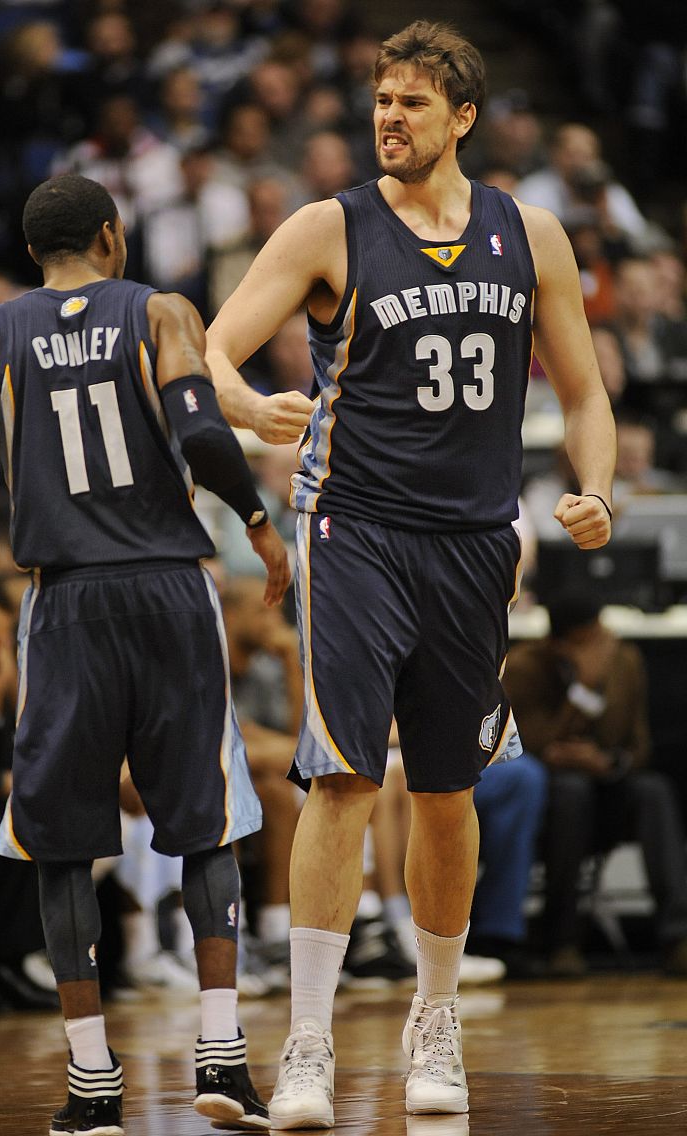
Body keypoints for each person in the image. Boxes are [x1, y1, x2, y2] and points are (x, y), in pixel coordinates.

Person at [205, 18, 616, 1125]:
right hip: (352, 528)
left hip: (475, 541)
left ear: (462, 119)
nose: (388, 117)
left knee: (445, 788)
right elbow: (209, 348)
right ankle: (303, 1041)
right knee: (340, 774)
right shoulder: (324, 226)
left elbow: (581, 392)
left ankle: (434, 1023)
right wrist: (246, 407)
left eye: (412, 103)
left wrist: (592, 483)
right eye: (380, 100)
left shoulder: (527, 234)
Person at [0, 172, 291, 1136]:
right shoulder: (159, 311)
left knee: (58, 838)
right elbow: (201, 430)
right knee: (206, 817)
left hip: (62, 603)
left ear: (35, 255)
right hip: (168, 588)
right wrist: (261, 526)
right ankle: (224, 1060)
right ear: (112, 237)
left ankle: (92, 1082)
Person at [503, 589, 687, 978]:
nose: (602, 647)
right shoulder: (524, 667)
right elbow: (531, 748)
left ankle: (678, 937)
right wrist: (583, 689)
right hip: (554, 798)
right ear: (558, 644)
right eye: (589, 641)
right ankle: (563, 941)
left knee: (654, 791)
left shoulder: (626, 661)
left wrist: (606, 762)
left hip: (609, 783)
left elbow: (639, 747)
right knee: (571, 792)